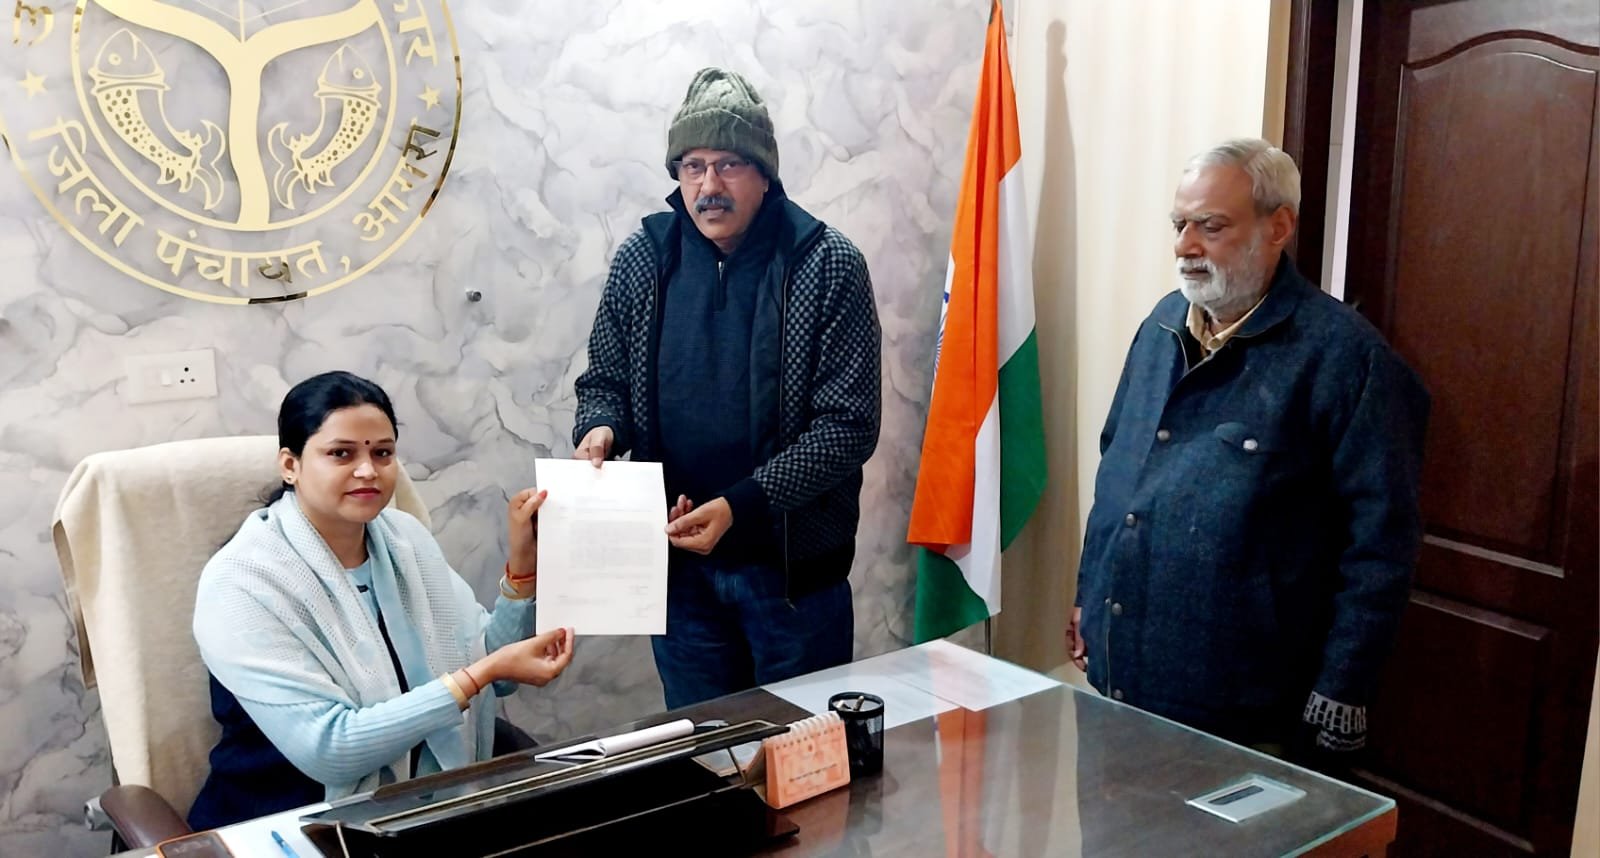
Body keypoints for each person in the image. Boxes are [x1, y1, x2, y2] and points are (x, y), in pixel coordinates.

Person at [1066, 138, 1430, 763]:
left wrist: (1341, 690)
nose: (1184, 246)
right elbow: (1118, 472)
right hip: (1120, 687)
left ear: (1278, 227)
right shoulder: (1161, 326)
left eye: (1210, 226)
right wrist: (1089, 593)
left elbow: (1380, 547)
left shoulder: (1345, 359)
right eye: (1179, 225)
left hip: (1242, 717)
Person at [572, 67, 881, 708]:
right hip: (678, 571)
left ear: (764, 172)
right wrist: (600, 428)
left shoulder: (826, 263)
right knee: (706, 749)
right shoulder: (643, 258)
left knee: (800, 751)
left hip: (792, 581)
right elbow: (603, 380)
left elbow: (848, 427)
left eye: (729, 165)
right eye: (693, 167)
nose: (708, 186)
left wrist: (741, 505)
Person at [188, 371, 574, 829]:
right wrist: (481, 675)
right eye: (341, 453)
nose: (368, 470)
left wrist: (523, 567)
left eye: (382, 453)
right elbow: (331, 749)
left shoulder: (405, 539)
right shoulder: (240, 582)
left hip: (419, 807)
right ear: (290, 465)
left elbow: (494, 667)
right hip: (287, 822)